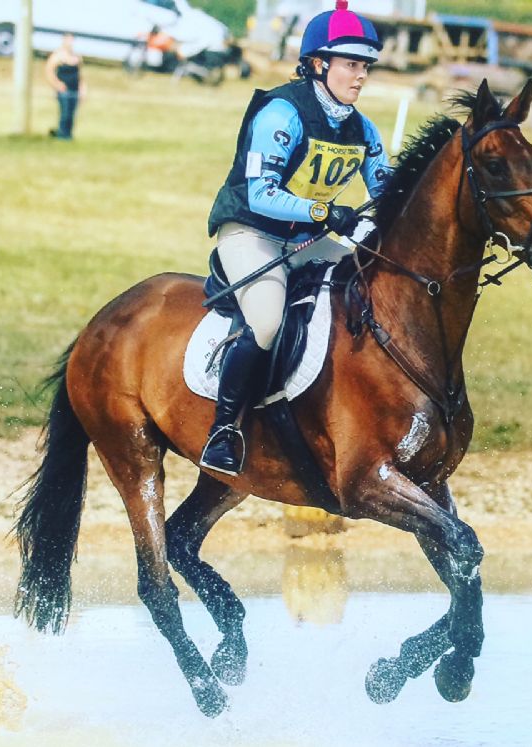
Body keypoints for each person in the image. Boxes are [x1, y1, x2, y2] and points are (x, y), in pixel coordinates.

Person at [200, 0, 393, 476]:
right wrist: (326, 212)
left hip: (308, 238)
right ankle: (225, 429)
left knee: (368, 287)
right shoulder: (280, 112)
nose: (360, 76)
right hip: (252, 232)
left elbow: (385, 189)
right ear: (318, 63)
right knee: (266, 321)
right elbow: (261, 192)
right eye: (351, 64)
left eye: (365, 66)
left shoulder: (361, 128)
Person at [45, 34, 86, 140]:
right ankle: (62, 135)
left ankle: (68, 135)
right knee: (65, 113)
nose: (70, 43)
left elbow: (80, 75)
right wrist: (57, 84)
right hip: (64, 90)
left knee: (72, 114)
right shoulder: (58, 55)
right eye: (68, 40)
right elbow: (49, 71)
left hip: (74, 89)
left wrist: (82, 89)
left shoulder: (77, 57)